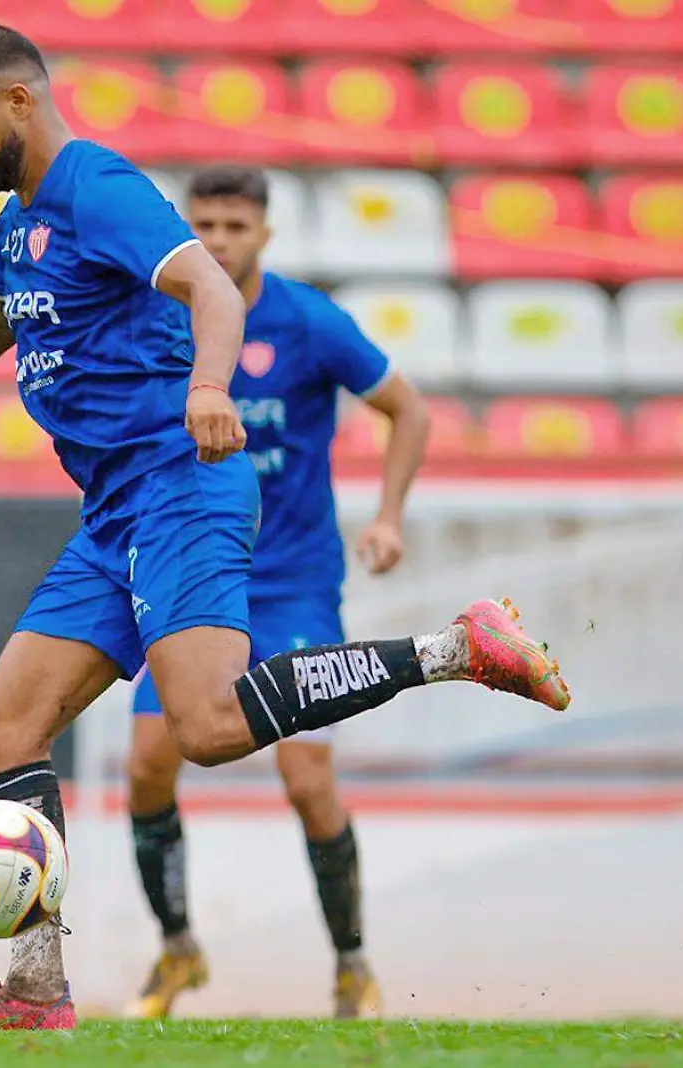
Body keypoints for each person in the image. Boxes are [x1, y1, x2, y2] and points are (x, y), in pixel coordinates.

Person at [0, 24, 570, 1032]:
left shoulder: (97, 185)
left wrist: (208, 385)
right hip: (114, 514)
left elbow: (207, 286)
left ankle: (454, 648)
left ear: (17, 102)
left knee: (208, 728)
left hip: (181, 486)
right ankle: (36, 988)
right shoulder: (21, 226)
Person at [123, 166, 432, 1022]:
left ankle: (351, 963)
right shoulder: (164, 312)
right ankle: (179, 950)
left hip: (292, 582)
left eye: (235, 226)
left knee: (305, 780)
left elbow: (408, 409)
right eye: (205, 225)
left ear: (265, 234)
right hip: (195, 578)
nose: (218, 241)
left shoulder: (308, 321)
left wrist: (390, 518)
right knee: (147, 767)